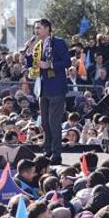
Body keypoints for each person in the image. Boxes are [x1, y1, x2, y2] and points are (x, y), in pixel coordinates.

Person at [25, 18, 70, 164]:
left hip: (56, 87)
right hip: (42, 88)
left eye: (38, 28)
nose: (36, 31)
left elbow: (67, 62)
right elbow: (30, 64)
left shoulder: (58, 42)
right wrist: (29, 52)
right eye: (35, 29)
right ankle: (48, 150)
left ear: (47, 29)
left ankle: (57, 154)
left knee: (53, 122)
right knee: (44, 122)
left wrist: (49, 65)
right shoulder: (37, 44)